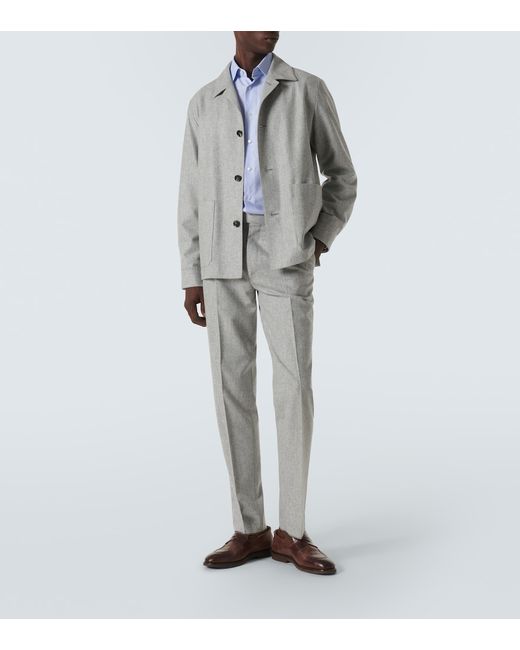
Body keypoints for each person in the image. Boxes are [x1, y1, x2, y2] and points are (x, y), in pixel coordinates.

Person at [177, 31, 357, 575]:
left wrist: (318, 238)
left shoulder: (307, 90)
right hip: (220, 254)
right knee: (230, 386)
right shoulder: (203, 101)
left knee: (294, 386)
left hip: (285, 250)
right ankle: (249, 528)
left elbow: (342, 176)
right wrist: (192, 273)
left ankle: (292, 532)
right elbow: (190, 193)